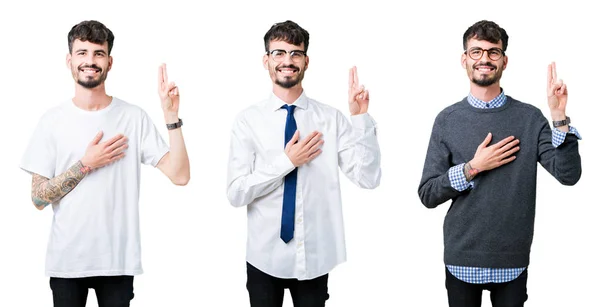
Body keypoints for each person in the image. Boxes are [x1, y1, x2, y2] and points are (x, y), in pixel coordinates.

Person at [19, 20, 190, 307]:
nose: (90, 60)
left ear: (109, 62)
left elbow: (180, 175)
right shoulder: (52, 121)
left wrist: (171, 116)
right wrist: (85, 164)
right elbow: (37, 198)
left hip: (117, 263)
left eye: (98, 53)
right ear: (69, 60)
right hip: (67, 263)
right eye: (82, 52)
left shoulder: (133, 117)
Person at [418, 20, 582, 307]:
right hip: (462, 257)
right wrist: (473, 167)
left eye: (493, 52)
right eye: (476, 51)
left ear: (504, 61)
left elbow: (568, 175)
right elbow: (428, 194)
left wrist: (559, 117)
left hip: (512, 259)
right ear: (464, 60)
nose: (484, 59)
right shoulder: (447, 120)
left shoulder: (530, 118)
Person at [226, 20, 381, 307]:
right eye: (279, 53)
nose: (288, 61)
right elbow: (236, 193)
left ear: (306, 61)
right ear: (266, 61)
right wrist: (286, 162)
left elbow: (368, 178)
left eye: (296, 53)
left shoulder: (331, 119)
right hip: (264, 258)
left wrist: (360, 119)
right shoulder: (248, 121)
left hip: (315, 256)